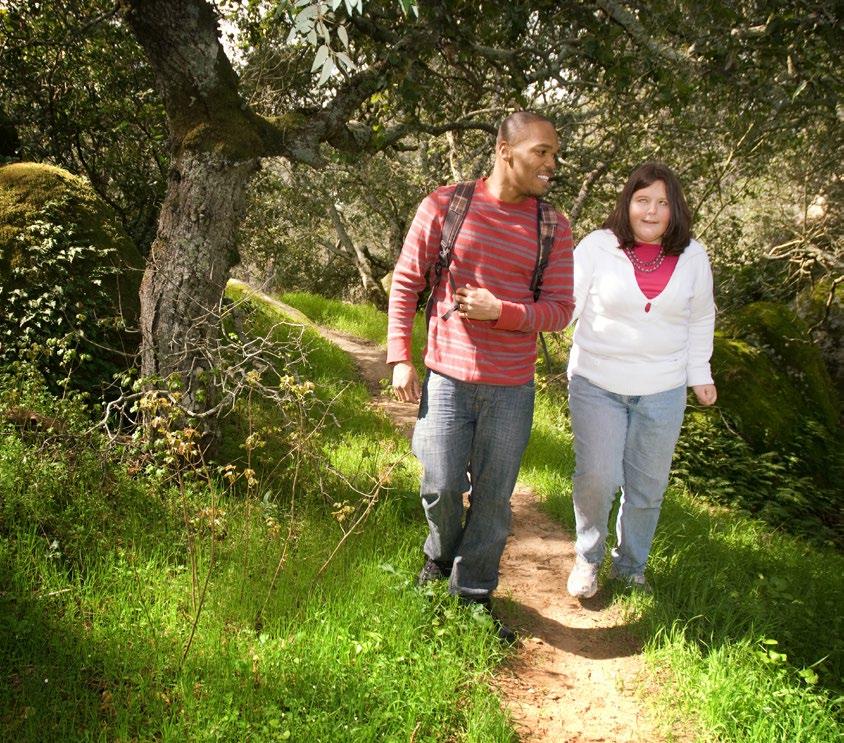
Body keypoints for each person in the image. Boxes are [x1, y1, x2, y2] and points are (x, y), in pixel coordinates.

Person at [387, 111, 575, 640]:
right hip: (446, 378)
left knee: (493, 498)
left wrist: (504, 312)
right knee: (441, 484)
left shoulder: (553, 228)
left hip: (512, 388)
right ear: (504, 150)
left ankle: (473, 594)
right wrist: (400, 355)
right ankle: (440, 557)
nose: (551, 164)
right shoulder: (446, 206)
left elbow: (561, 310)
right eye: (541, 152)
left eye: (555, 154)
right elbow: (406, 281)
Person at [565, 161, 717, 599]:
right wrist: (530, 324)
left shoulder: (693, 255)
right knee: (598, 475)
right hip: (597, 381)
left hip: (663, 389)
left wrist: (699, 373)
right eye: (643, 200)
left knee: (648, 486)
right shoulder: (598, 246)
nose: (651, 211)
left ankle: (631, 566)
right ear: (627, 202)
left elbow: (701, 316)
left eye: (662, 203)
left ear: (675, 210)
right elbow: (567, 303)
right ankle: (588, 558)